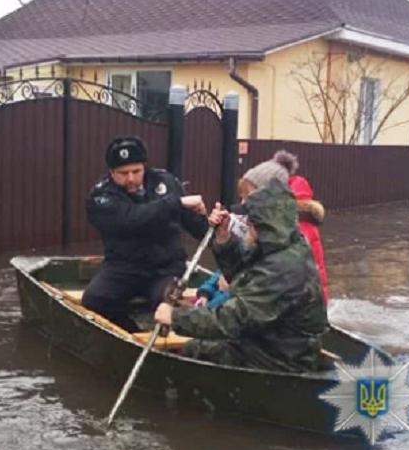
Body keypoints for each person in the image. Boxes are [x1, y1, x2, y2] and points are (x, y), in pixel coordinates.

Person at [154, 178, 329, 372]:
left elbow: (235, 319)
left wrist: (176, 317)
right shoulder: (284, 245)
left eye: (251, 219)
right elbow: (242, 274)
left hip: (279, 358)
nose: (246, 223)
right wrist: (224, 239)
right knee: (202, 344)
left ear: (264, 224)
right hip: (271, 340)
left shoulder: (283, 268)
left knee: (194, 349)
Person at [83, 136, 209, 333]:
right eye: (123, 173)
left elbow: (195, 226)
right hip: (123, 267)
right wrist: (176, 203)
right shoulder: (101, 196)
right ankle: (130, 333)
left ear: (144, 167)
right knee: (94, 300)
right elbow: (131, 219)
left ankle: (183, 342)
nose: (131, 178)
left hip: (166, 267)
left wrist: (208, 220)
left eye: (136, 171)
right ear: (111, 173)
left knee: (166, 301)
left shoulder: (166, 182)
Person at [238, 150, 329, 304]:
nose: (243, 204)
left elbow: (283, 274)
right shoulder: (277, 219)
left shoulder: (297, 225)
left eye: (248, 197)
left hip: (301, 304)